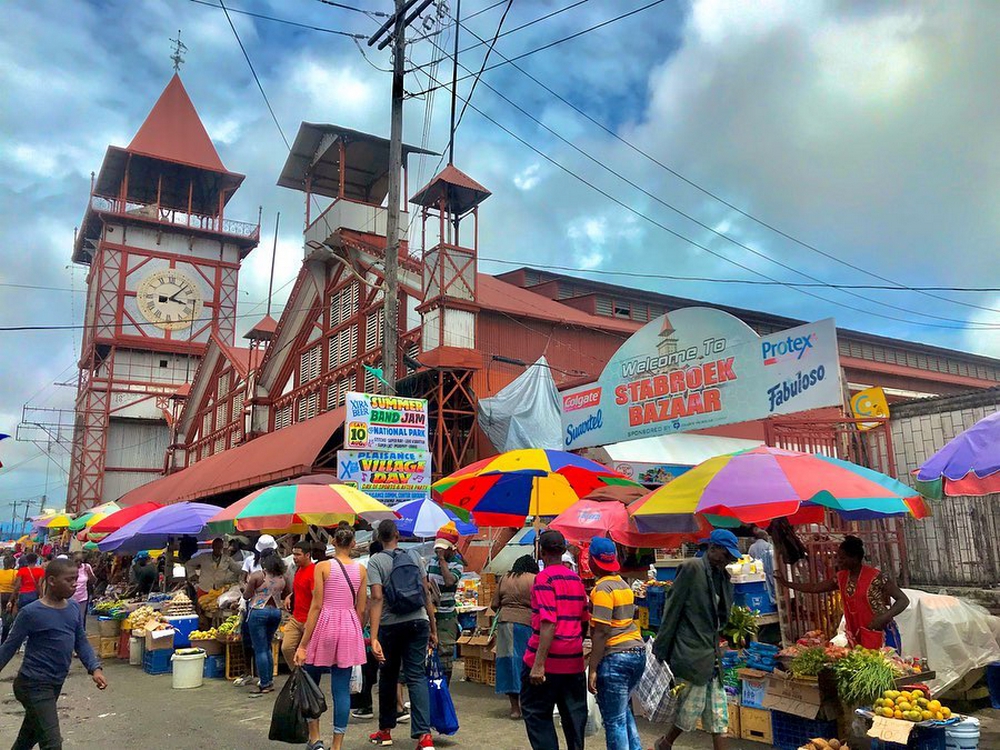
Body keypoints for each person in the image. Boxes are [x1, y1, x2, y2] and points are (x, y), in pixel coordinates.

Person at [0, 558, 108, 749]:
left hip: (55, 683)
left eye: (76, 578)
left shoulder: (73, 607)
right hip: (33, 684)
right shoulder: (31, 613)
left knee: (29, 734)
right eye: (69, 580)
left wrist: (95, 668)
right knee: (52, 743)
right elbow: (9, 647)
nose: (75, 583)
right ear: (51, 581)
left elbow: (80, 641)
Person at [652, 529, 739, 750]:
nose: (727, 561)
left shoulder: (722, 577)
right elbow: (672, 610)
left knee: (719, 717)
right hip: (690, 653)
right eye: (725, 555)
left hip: (711, 656)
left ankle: (665, 743)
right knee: (689, 710)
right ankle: (666, 743)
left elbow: (721, 616)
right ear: (713, 548)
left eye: (730, 558)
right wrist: (660, 651)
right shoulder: (692, 568)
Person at [295, 523, 368, 750]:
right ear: (353, 544)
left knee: (311, 680)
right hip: (348, 626)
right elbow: (362, 608)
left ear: (333, 542)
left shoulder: (323, 567)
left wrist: (303, 644)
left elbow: (316, 606)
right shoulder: (361, 570)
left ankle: (315, 738)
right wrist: (355, 629)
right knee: (341, 689)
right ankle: (337, 745)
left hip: (325, 625)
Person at [367, 519, 438, 750]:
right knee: (416, 676)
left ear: (379, 538)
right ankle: (424, 736)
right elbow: (425, 593)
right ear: (397, 535)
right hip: (419, 622)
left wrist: (374, 636)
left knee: (387, 676)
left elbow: (376, 598)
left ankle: (385, 731)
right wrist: (433, 629)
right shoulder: (415, 557)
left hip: (390, 625)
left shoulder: (376, 561)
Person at [776, 535, 909, 650]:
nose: (838, 561)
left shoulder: (876, 576)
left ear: (855, 558)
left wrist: (883, 618)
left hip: (880, 633)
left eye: (842, 558)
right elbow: (815, 587)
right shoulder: (841, 577)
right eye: (838, 557)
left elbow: (903, 600)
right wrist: (786, 583)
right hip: (857, 636)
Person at [521, 529, 590, 750]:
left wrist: (539, 664)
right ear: (562, 551)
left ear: (541, 553)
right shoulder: (577, 581)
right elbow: (584, 620)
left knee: (537, 715)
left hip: (547, 661)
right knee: (574, 717)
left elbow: (548, 622)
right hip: (573, 661)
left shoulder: (544, 579)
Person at [587, 536, 646, 750]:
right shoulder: (623, 585)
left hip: (616, 658)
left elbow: (602, 632)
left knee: (614, 721)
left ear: (593, 561)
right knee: (623, 713)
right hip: (638, 653)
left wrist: (593, 668)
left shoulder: (603, 590)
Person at [492, 554, 538, 720]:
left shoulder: (505, 578)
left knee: (509, 663)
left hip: (506, 624)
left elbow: (494, 604)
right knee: (528, 663)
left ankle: (514, 708)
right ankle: (527, 705)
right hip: (528, 624)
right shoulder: (535, 579)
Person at [242, 549, 288, 696]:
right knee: (267, 646)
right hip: (276, 612)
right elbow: (287, 594)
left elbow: (247, 595)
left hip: (258, 611)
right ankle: (269, 680)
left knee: (260, 648)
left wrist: (244, 587)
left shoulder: (258, 576)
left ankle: (265, 682)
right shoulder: (282, 577)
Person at [427, 522, 464, 685]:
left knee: (446, 652)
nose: (439, 551)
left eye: (443, 549)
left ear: (452, 548)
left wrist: (442, 560)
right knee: (430, 651)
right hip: (431, 612)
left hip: (447, 616)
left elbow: (449, 581)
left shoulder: (457, 563)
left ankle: (445, 687)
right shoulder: (431, 562)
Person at [281, 539, 316, 670]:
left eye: (298, 555)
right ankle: (297, 673)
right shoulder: (298, 570)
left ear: (307, 555)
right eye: (294, 554)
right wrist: (290, 596)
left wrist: (312, 619)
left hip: (309, 620)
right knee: (286, 647)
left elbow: (316, 598)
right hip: (296, 618)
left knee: (309, 653)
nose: (294, 558)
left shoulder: (313, 572)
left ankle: (305, 678)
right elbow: (299, 588)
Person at [71, 552, 95, 625]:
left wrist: (89, 573)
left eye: (80, 561)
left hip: (83, 597)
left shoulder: (86, 567)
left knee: (81, 618)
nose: (79, 563)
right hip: (71, 597)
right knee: (72, 618)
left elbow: (93, 581)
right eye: (76, 561)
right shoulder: (69, 568)